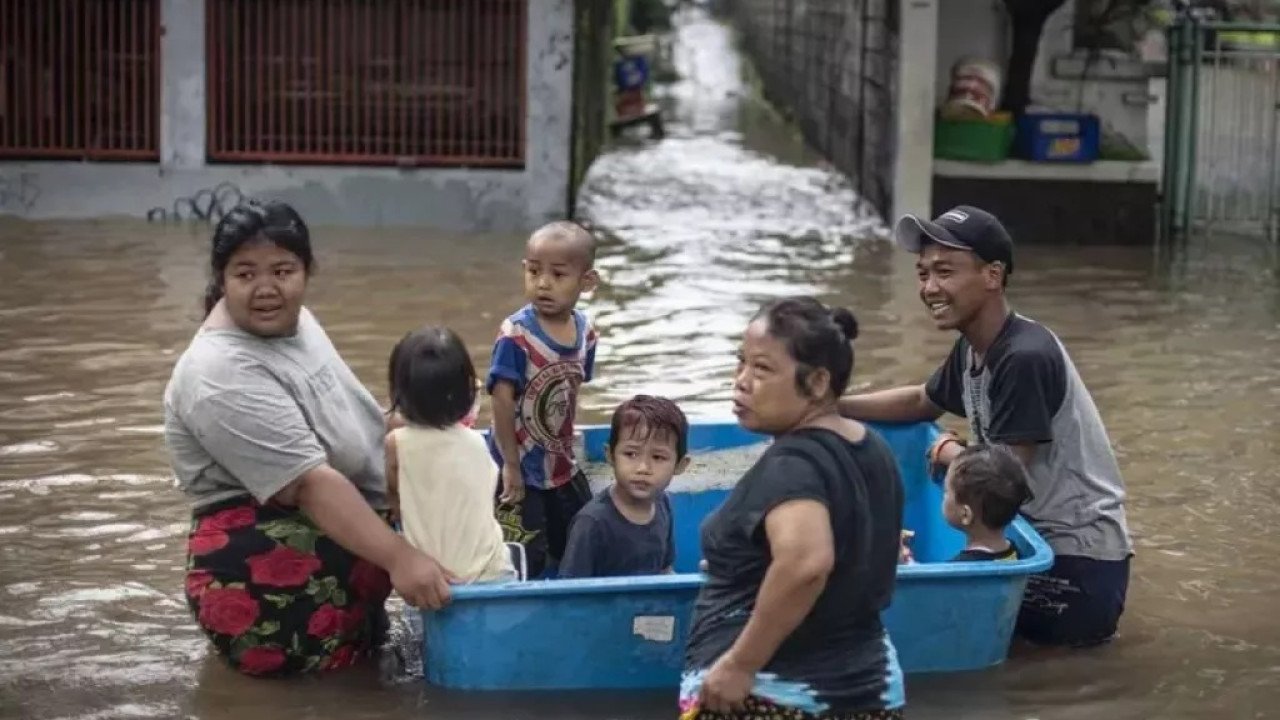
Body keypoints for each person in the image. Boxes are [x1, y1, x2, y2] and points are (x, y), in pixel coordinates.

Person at [163, 200, 453, 678]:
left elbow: (350, 416)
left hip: (347, 555)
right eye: (245, 274)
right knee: (315, 701)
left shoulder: (295, 322)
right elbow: (310, 484)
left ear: (307, 270)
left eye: (283, 271)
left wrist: (436, 436)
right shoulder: (217, 372)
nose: (266, 290)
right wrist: (401, 557)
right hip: (270, 589)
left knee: (365, 683)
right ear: (221, 278)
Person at [838, 204, 1133, 647]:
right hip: (1030, 541)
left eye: (945, 272)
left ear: (992, 275)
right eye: (923, 274)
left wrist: (951, 453)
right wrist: (833, 406)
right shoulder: (975, 347)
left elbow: (1002, 479)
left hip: (1075, 560)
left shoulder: (1024, 357)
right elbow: (922, 401)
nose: (930, 288)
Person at [681, 297, 905, 720]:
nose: (741, 381)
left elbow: (806, 564)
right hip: (871, 692)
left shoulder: (791, 464)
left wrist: (740, 664)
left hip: (771, 697)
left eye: (762, 369)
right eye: (741, 362)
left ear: (817, 382)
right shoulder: (871, 447)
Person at [486, 220, 599, 579]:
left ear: (587, 282)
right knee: (525, 554)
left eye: (558, 274)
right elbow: (501, 400)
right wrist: (511, 466)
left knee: (584, 536)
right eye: (534, 272)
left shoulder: (585, 332)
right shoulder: (516, 335)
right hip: (519, 465)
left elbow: (573, 389)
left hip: (560, 464)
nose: (543, 283)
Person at [384, 326, 518, 584]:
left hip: (434, 580)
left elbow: (393, 496)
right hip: (494, 573)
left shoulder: (396, 444)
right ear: (466, 392)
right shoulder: (476, 443)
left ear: (398, 392)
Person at [558, 395, 689, 579]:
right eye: (631, 454)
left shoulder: (663, 503)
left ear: (680, 465)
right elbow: (570, 589)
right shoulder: (591, 523)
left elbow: (665, 571)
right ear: (610, 455)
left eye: (658, 457)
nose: (643, 468)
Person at [942, 444, 1032, 562]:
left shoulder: (958, 569)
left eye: (946, 491)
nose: (944, 496)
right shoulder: (1015, 553)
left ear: (965, 514)